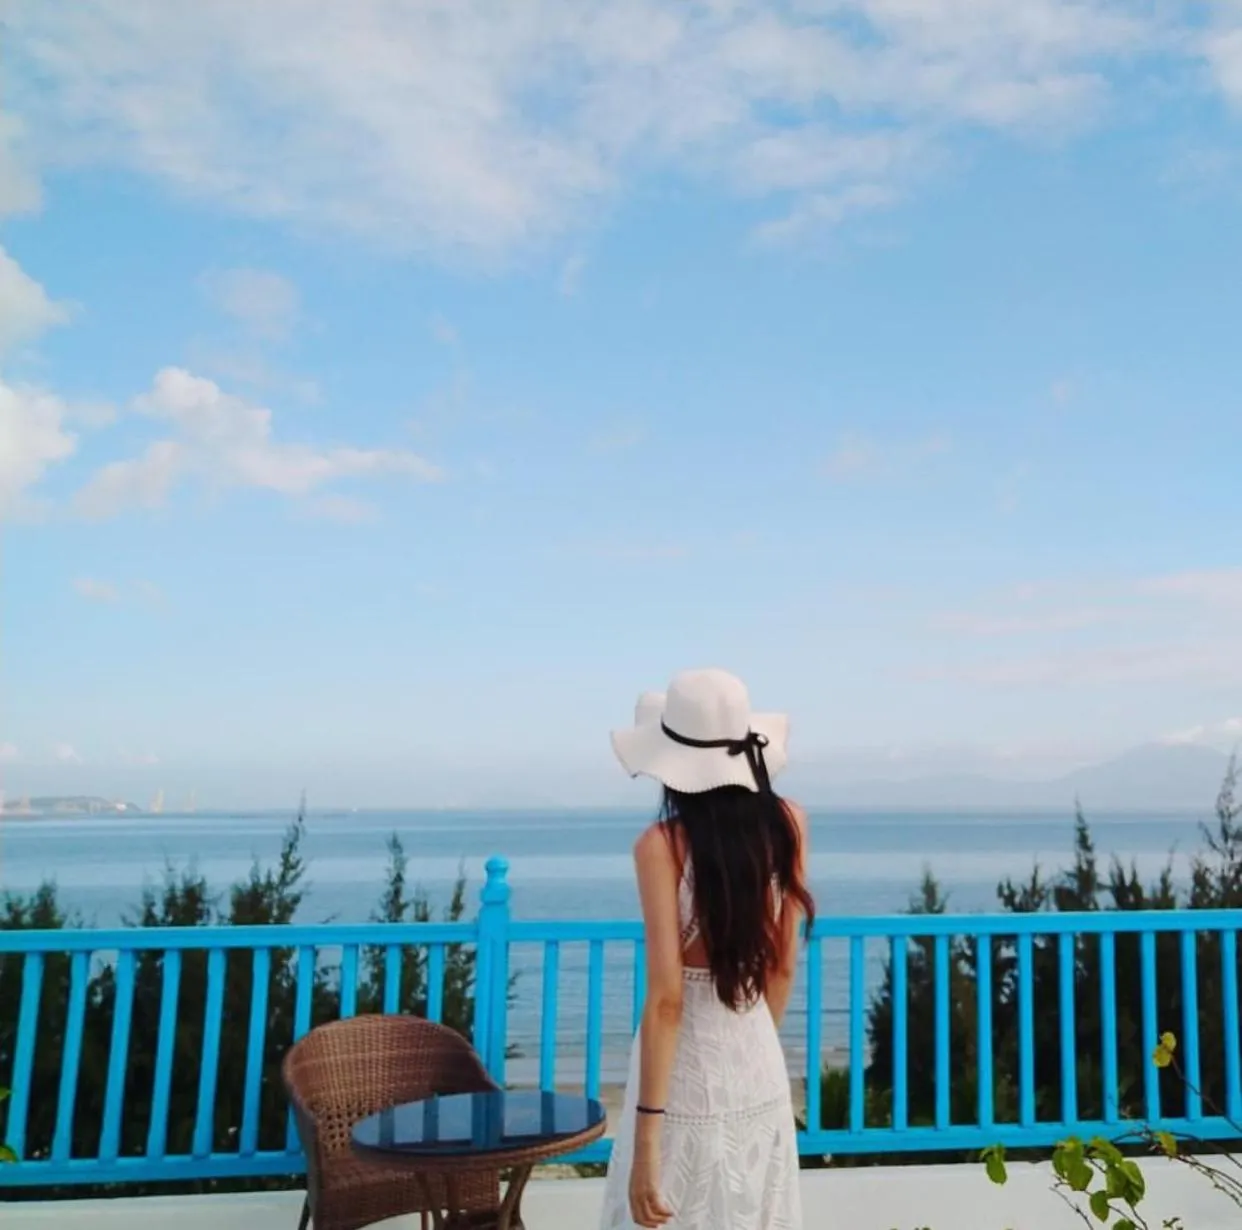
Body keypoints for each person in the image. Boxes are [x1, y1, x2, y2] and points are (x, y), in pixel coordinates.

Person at [598, 668, 814, 1230]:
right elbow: (782, 966)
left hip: (682, 1086)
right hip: (758, 1063)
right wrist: (749, 1041)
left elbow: (667, 1001)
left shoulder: (661, 846)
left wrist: (645, 1141)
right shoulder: (789, 824)